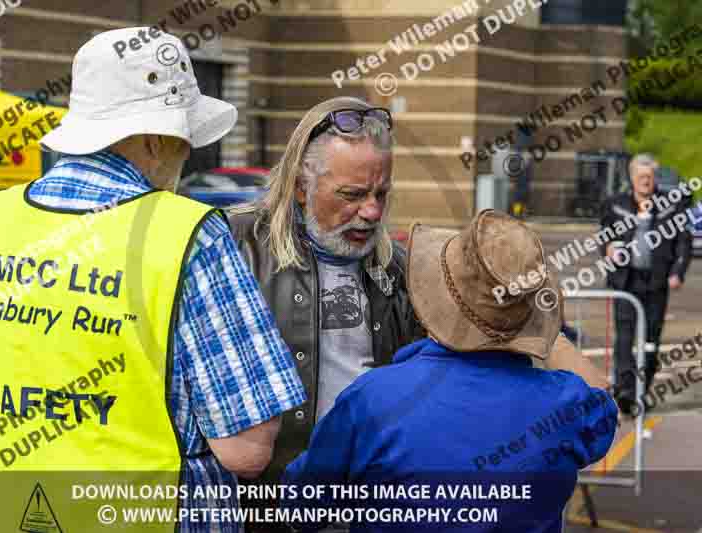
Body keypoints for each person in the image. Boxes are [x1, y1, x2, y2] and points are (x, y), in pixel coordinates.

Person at [0, 28, 305, 533]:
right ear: (153, 137)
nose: (188, 154)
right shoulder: (189, 232)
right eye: (185, 137)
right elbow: (246, 449)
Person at [228, 97, 605, 530]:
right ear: (300, 185)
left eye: (381, 193)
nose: (371, 211)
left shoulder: (401, 272)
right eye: (352, 194)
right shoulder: (232, 249)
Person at [282, 210, 618, 533]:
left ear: (435, 302)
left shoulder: (372, 400)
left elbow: (302, 506)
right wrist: (540, 327)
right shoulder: (566, 404)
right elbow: (601, 395)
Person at [599, 153, 692, 416]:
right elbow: (605, 237)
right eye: (640, 177)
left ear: (655, 179)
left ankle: (642, 389)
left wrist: (678, 272)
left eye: (649, 177)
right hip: (625, 281)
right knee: (625, 340)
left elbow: (683, 242)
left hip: (656, 282)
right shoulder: (615, 205)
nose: (645, 182)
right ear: (631, 178)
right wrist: (608, 250)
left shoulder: (670, 206)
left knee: (651, 341)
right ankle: (626, 393)